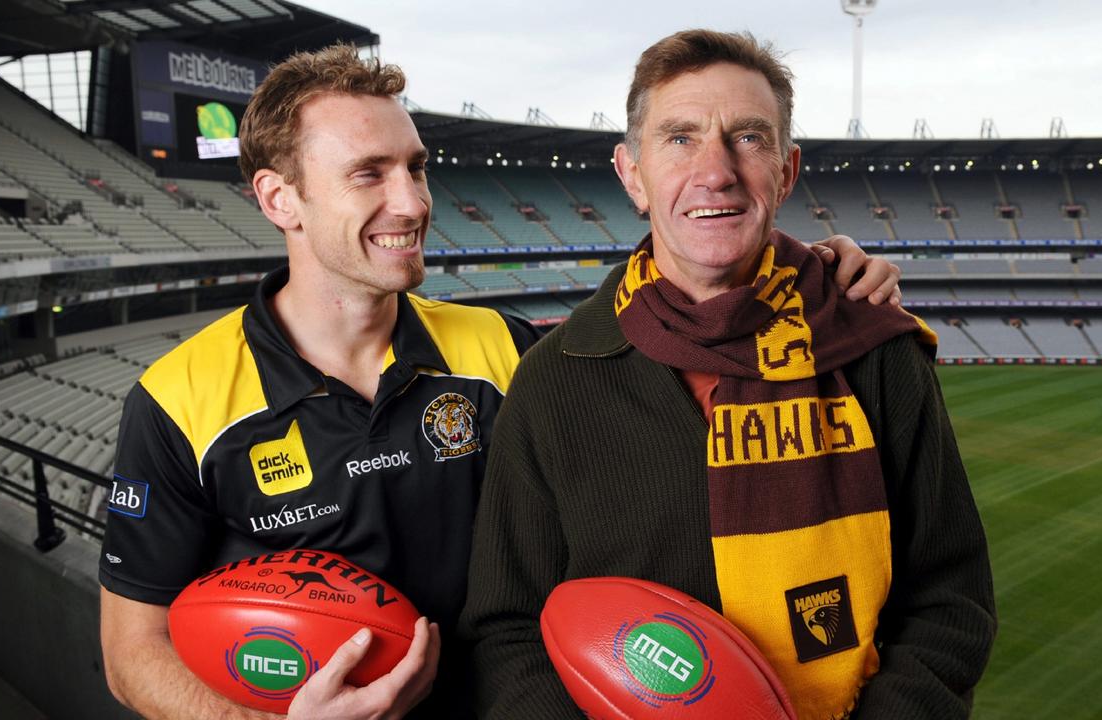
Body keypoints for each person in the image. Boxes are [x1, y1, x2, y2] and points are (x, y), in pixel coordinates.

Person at [97, 43, 902, 720]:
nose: (413, 202)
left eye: (416, 168)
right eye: (370, 174)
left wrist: (816, 274)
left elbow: (682, 326)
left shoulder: (505, 349)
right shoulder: (179, 399)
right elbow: (132, 653)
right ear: (281, 198)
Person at [460, 29, 996, 720]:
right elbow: (507, 629)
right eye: (680, 137)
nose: (716, 170)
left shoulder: (873, 348)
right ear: (632, 175)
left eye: (748, 137)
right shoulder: (555, 379)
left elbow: (950, 601)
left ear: (786, 170)